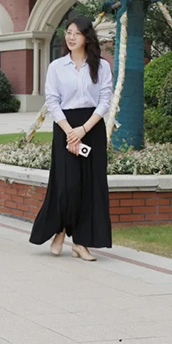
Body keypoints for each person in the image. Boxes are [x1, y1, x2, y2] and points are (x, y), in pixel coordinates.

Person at [29, 16, 113, 261]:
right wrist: (70, 132)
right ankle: (61, 229)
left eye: (76, 33)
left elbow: (105, 101)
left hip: (91, 127)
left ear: (87, 37)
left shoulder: (101, 66)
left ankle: (81, 243)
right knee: (67, 185)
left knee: (90, 186)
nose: (71, 37)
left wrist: (83, 130)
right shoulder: (57, 67)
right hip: (64, 126)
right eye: (68, 32)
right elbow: (52, 101)